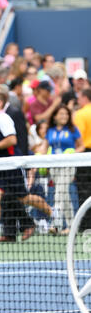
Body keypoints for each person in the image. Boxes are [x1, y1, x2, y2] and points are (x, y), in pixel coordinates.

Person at [0, 91, 59, 247]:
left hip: (10, 166)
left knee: (24, 197)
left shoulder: (4, 118)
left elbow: (12, 139)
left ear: (0, 103)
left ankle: (53, 213)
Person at [44, 104, 84, 235]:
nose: (64, 116)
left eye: (66, 114)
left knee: (59, 193)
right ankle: (72, 226)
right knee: (64, 195)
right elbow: (44, 148)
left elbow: (81, 146)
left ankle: (55, 224)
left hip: (68, 165)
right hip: (54, 166)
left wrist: (72, 153)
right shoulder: (50, 131)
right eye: (61, 114)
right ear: (55, 116)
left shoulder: (73, 130)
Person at [73, 88, 91, 230]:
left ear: (85, 98)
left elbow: (78, 139)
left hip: (84, 155)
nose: (77, 101)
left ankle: (85, 224)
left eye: (79, 98)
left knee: (84, 190)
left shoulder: (80, 114)